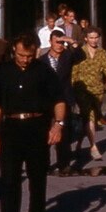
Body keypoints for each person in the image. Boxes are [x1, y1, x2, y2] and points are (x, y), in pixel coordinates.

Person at [0, 33, 65, 212]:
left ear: (36, 52)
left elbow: (59, 99)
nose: (25, 59)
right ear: (15, 49)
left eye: (29, 56)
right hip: (10, 129)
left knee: (37, 178)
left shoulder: (44, 71)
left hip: (37, 128)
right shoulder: (4, 71)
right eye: (21, 55)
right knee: (9, 180)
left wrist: (58, 125)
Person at [71, 26, 106, 162]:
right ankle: (93, 147)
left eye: (96, 37)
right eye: (91, 38)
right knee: (89, 115)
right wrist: (72, 87)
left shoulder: (102, 53)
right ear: (85, 38)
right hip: (82, 89)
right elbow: (74, 70)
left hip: (97, 90)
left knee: (92, 118)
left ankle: (80, 141)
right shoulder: (80, 52)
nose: (94, 40)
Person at [41, 29, 77, 174]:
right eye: (57, 42)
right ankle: (44, 164)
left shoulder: (67, 56)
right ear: (50, 42)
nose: (60, 45)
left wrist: (71, 42)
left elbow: (81, 56)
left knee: (64, 133)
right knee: (45, 132)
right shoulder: (42, 61)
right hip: (46, 101)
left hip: (64, 99)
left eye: (62, 42)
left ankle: (64, 164)